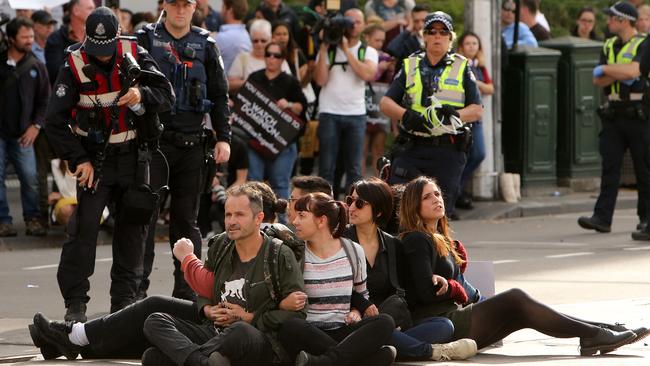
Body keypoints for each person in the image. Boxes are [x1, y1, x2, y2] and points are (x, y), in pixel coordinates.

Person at [400, 176, 645, 356]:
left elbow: (468, 290)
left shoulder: (440, 238)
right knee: (516, 298)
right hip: (441, 321)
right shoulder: (416, 239)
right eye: (427, 196)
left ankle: (599, 330)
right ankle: (594, 334)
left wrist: (473, 293)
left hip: (456, 315)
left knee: (522, 312)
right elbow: (424, 292)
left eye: (438, 193)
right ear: (414, 206)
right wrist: (456, 288)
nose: (436, 199)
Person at [46, 6, 174, 322]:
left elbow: (167, 95)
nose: (101, 57)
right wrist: (79, 160)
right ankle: (75, 306)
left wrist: (140, 94)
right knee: (84, 230)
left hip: (133, 156)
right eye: (96, 50)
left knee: (133, 231)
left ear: (118, 38)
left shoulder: (135, 53)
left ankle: (124, 307)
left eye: (107, 50)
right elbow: (53, 121)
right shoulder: (73, 64)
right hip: (96, 162)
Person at [142, 183, 307, 365]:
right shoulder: (221, 245)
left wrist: (250, 317)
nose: (231, 221)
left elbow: (298, 315)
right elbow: (207, 290)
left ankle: (200, 361)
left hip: (258, 338)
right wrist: (207, 309)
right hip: (215, 333)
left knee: (238, 331)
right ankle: (203, 362)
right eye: (228, 214)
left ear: (258, 218)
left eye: (240, 215)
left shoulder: (279, 254)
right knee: (155, 322)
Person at [136, 0, 232, 301]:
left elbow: (219, 94)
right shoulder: (145, 39)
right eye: (174, 3)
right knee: (144, 218)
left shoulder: (206, 44)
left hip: (192, 144)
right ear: (164, 5)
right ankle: (137, 293)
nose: (180, 10)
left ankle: (188, 293)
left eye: (186, 4)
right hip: (154, 143)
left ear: (195, 7)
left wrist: (223, 137)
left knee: (186, 222)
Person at [342, 178, 477, 361]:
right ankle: (432, 351)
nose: (351, 208)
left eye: (359, 203)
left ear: (379, 211)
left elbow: (402, 286)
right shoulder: (341, 242)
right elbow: (334, 285)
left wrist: (437, 278)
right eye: (349, 201)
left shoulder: (392, 244)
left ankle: (383, 347)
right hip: (352, 317)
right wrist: (361, 306)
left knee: (444, 326)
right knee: (377, 330)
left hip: (388, 318)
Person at [379, 11, 482, 220]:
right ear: (424, 36)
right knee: (400, 210)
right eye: (432, 31)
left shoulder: (462, 67)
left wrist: (455, 114)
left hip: (446, 150)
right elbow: (385, 103)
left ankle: (438, 251)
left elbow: (477, 110)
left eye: (443, 32)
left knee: (438, 216)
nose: (437, 36)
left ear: (450, 37)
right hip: (412, 147)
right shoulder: (410, 65)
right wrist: (406, 115)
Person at [278, 192, 397, 365]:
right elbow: (279, 298)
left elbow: (361, 295)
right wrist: (284, 303)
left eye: (302, 216)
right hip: (309, 333)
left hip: (343, 329)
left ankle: (323, 362)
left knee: (385, 322)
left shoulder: (353, 250)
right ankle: (366, 361)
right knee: (291, 327)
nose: (294, 221)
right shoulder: (294, 253)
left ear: (321, 221)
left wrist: (356, 312)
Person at [578, 1, 650, 241]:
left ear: (623, 21)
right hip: (613, 113)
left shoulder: (643, 43)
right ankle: (602, 218)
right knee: (610, 167)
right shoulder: (608, 44)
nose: (607, 22)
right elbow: (597, 80)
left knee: (644, 169)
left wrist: (608, 69)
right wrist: (618, 71)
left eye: (611, 18)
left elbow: (633, 72)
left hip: (639, 113)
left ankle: (646, 219)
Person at [315, 8, 378, 192]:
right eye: (349, 21)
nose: (353, 25)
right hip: (329, 112)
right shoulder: (329, 49)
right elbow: (320, 80)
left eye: (357, 22)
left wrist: (346, 50)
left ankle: (353, 211)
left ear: (364, 25)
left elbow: (367, 74)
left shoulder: (368, 51)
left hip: (355, 114)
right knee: (326, 167)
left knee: (355, 168)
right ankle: (325, 209)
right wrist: (324, 47)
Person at [0, 16, 49, 237]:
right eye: (24, 36)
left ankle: (33, 219)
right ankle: (3, 221)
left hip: (24, 134)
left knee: (30, 178)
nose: (30, 40)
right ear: (11, 39)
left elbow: (45, 101)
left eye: (31, 36)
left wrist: (36, 126)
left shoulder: (37, 66)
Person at [246, 42, 307, 201]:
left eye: (276, 55)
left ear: (282, 59)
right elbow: (244, 102)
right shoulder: (255, 77)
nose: (272, 59)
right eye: (268, 54)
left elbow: (302, 106)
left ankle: (281, 224)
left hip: (283, 142)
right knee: (254, 183)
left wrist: (290, 105)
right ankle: (256, 223)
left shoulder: (290, 81)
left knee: (280, 183)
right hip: (256, 140)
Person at [455, 31, 494, 210]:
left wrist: (475, 83)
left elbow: (490, 88)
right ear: (461, 47)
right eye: (468, 44)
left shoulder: (480, 67)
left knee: (478, 154)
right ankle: (455, 193)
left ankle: (458, 188)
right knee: (459, 156)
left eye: (475, 44)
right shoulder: (456, 64)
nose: (471, 47)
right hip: (461, 116)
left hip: (476, 117)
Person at [228, 19, 291, 93]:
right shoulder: (242, 58)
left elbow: (289, 84)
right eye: (255, 41)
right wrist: (251, 83)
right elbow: (229, 84)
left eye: (263, 40)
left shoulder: (278, 57)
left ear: (270, 40)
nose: (259, 44)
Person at [45, 0, 96, 86]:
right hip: (66, 92)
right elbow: (55, 72)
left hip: (94, 94)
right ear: (76, 11)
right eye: (90, 8)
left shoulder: (97, 36)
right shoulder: (55, 38)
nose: (94, 12)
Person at [385, 4, 428, 74]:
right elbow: (391, 50)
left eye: (424, 21)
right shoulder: (407, 41)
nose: (420, 25)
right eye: (416, 21)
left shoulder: (437, 40)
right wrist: (408, 29)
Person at [215, 0, 250, 73]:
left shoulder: (223, 37)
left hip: (223, 81)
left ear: (230, 10)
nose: (221, 11)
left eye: (223, 7)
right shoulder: (246, 35)